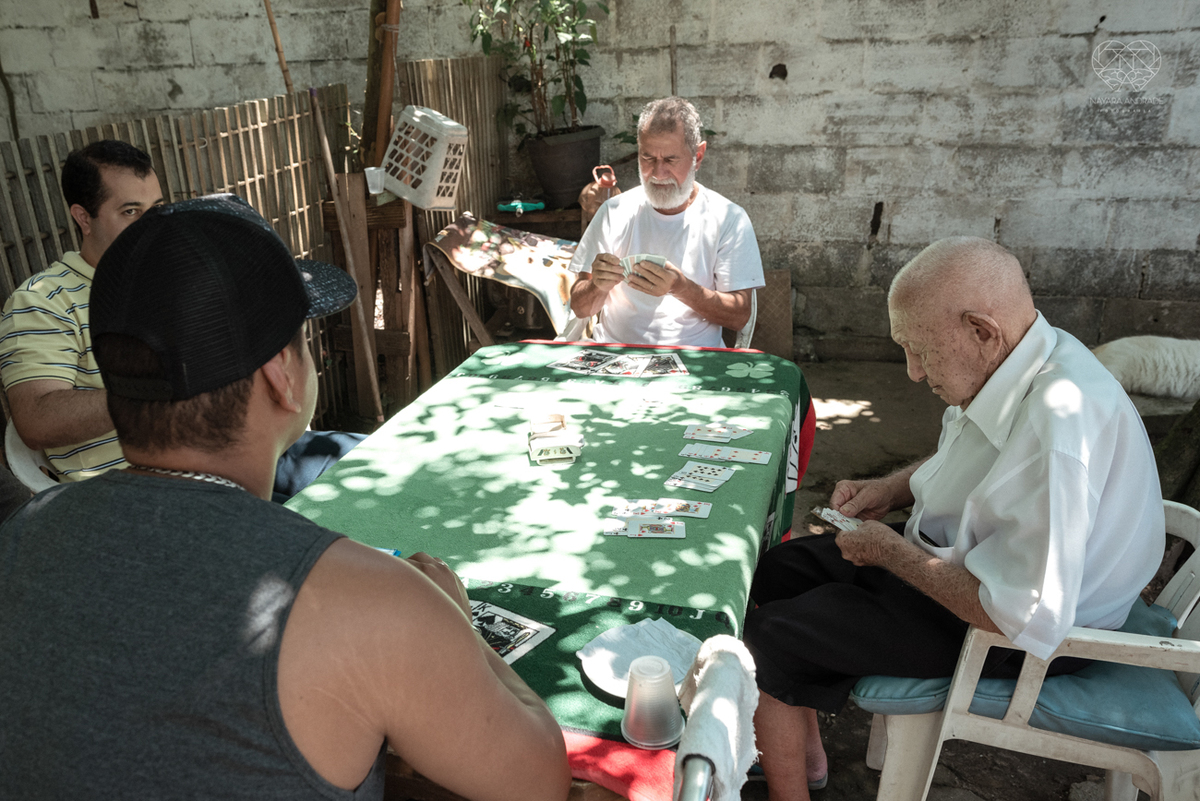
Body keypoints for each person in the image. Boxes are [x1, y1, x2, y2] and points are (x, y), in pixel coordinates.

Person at [0, 195, 571, 800]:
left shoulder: (20, 536)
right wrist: (458, 623)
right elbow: (538, 783)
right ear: (282, 374)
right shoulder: (374, 602)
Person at [745, 237, 1165, 801]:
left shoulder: (1058, 428)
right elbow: (970, 455)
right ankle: (807, 760)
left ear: (982, 331)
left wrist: (891, 553)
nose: (913, 373)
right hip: (964, 563)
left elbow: (1016, 616)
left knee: (771, 637)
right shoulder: (1029, 353)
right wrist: (891, 489)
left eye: (920, 351)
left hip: (1012, 632)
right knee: (778, 569)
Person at [0, 140, 362, 499]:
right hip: (148, 491)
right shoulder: (44, 300)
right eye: (130, 211)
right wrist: (157, 389)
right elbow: (36, 422)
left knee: (368, 459)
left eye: (155, 209)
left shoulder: (179, 275)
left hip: (243, 447)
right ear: (83, 218)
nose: (149, 225)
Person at [567, 97, 764, 347]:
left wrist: (682, 288)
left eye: (670, 160)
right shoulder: (614, 212)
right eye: (647, 158)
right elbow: (580, 308)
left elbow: (738, 317)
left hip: (693, 358)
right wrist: (597, 286)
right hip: (616, 355)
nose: (658, 173)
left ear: (698, 156)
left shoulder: (728, 218)